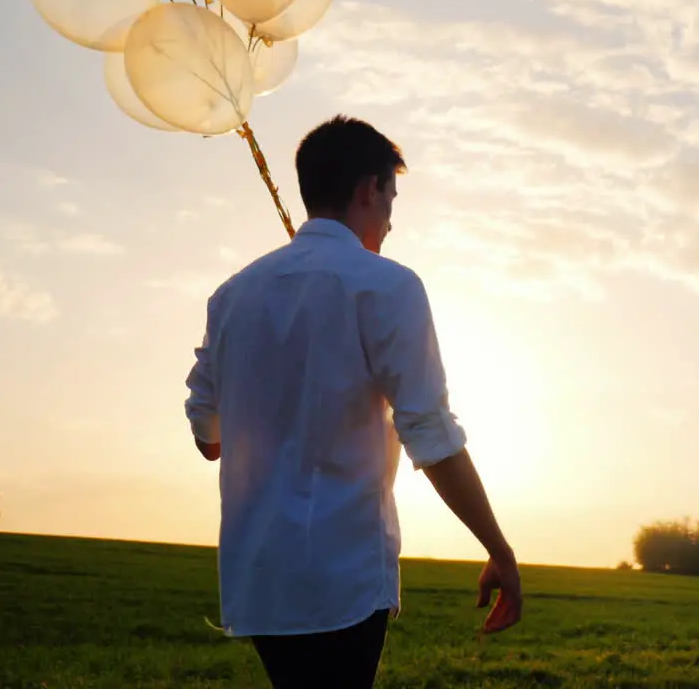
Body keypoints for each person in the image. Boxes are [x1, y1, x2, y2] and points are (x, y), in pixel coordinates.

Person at [182, 115, 522, 688]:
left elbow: (207, 438)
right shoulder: (388, 285)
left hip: (259, 578)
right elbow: (432, 436)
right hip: (340, 576)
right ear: (369, 189)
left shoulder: (232, 295)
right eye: (391, 196)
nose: (391, 219)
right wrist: (499, 551)